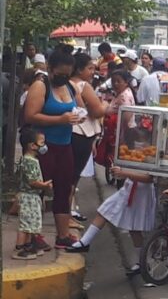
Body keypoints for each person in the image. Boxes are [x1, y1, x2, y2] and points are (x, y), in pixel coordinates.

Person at [23, 48, 86, 248]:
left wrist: (78, 116)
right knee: (39, 190)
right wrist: (60, 119)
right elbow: (30, 116)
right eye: (59, 73)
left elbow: (80, 107)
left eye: (67, 74)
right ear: (50, 69)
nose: (63, 78)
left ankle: (63, 235)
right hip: (44, 146)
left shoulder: (70, 87)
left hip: (65, 145)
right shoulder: (41, 86)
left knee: (63, 189)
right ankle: (33, 236)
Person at [66, 165, 155, 275]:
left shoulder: (153, 158)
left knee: (134, 229)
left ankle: (143, 262)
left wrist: (124, 173)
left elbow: (149, 178)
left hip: (141, 194)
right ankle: (85, 242)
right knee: (105, 210)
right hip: (128, 187)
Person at [70, 53, 106, 225]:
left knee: (68, 173)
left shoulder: (65, 85)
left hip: (70, 132)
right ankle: (68, 210)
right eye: (90, 68)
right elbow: (97, 111)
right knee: (73, 174)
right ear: (79, 69)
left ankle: (69, 207)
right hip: (81, 133)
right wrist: (106, 105)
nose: (93, 72)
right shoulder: (83, 86)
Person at [13, 128, 53, 260]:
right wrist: (45, 185)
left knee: (31, 224)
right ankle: (19, 248)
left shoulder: (32, 159)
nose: (44, 146)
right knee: (25, 225)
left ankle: (28, 245)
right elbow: (32, 181)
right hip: (28, 196)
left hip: (33, 196)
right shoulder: (29, 161)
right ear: (32, 145)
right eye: (42, 142)